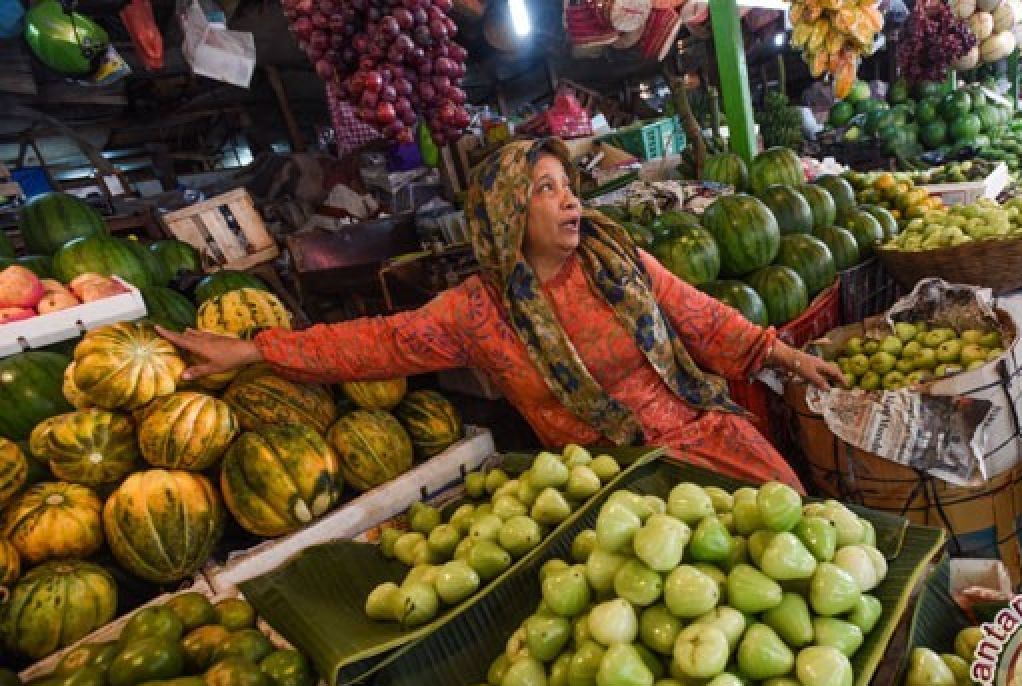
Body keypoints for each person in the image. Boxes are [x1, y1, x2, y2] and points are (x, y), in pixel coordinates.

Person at [159, 138, 844, 487]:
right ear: (507, 211)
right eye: (546, 189)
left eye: (569, 186)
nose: (572, 201)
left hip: (704, 434)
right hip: (613, 479)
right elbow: (376, 343)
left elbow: (704, 318)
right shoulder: (476, 313)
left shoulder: (618, 259)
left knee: (800, 520)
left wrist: (788, 356)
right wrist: (254, 350)